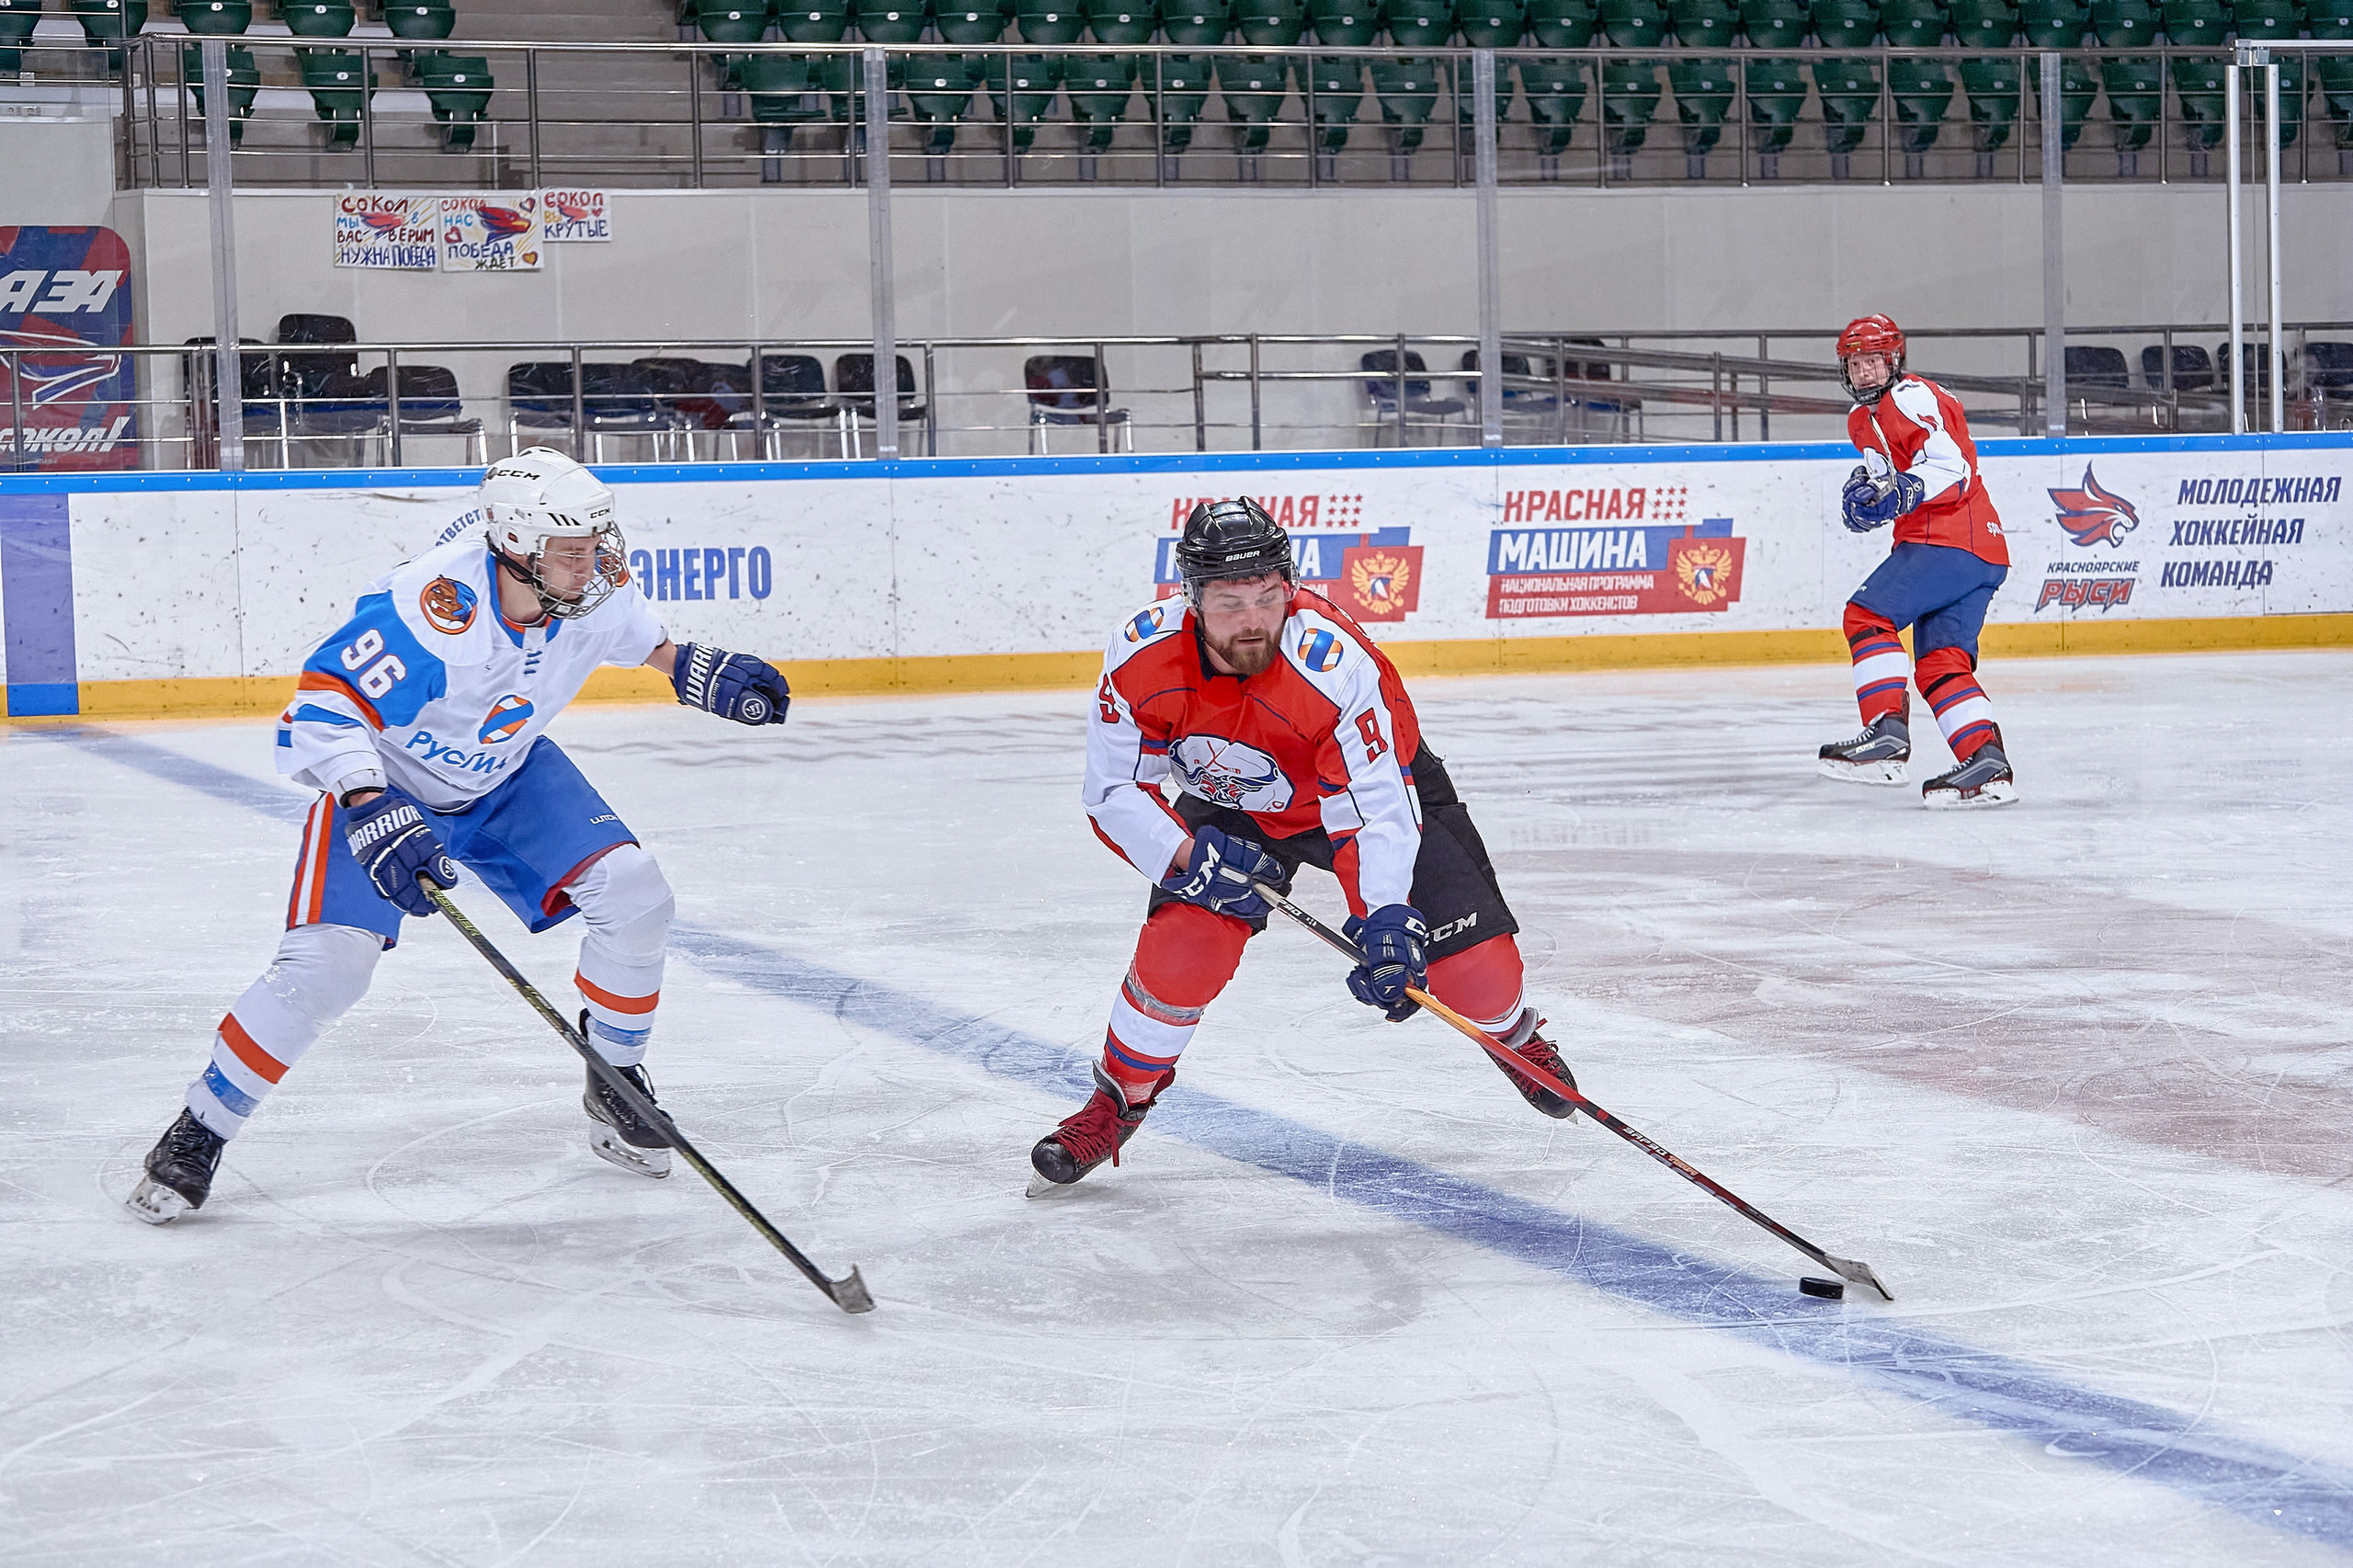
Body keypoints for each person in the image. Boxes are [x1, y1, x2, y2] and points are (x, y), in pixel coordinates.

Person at [125, 448, 791, 1223]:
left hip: (508, 777)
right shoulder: (430, 608)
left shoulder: (590, 588)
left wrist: (695, 670)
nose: (596, 564)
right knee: (327, 969)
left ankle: (615, 1077)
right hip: (391, 781)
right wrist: (370, 801)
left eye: (597, 544)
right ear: (515, 548)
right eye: (572, 553)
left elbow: (643, 642)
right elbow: (324, 704)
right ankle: (201, 1126)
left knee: (637, 894)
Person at [1029, 498, 1575, 1192]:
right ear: (1191, 598)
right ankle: (1117, 1102)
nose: (1253, 619)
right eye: (1230, 601)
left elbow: (1375, 808)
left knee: (1477, 977)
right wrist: (1187, 860)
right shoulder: (1140, 656)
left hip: (1357, 797)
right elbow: (1112, 791)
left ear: (1288, 587)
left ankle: (1513, 1034)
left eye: (1267, 596)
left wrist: (1385, 917)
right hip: (1233, 802)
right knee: (1181, 951)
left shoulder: (1335, 663)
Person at [1817, 313, 2018, 809]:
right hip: (1980, 551)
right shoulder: (1861, 421)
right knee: (1938, 663)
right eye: (1856, 363)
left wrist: (1904, 490)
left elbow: (1953, 468)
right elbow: (1891, 483)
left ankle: (1885, 735)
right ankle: (1986, 764)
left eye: (1873, 361)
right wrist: (1867, 500)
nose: (1865, 371)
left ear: (1894, 361)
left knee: (1866, 615)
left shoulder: (1910, 397)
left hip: (1950, 538)